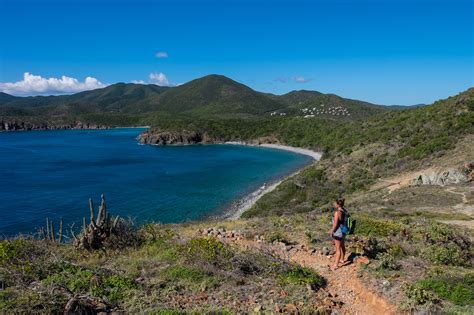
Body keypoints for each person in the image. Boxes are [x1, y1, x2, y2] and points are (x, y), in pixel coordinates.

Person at [328, 197, 347, 271]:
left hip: (338, 232)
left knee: (337, 249)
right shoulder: (344, 210)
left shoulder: (337, 213)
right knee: (342, 246)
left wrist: (331, 231)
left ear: (337, 204)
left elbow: (335, 224)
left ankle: (335, 265)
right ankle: (342, 259)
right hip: (343, 231)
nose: (334, 204)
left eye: (334, 203)